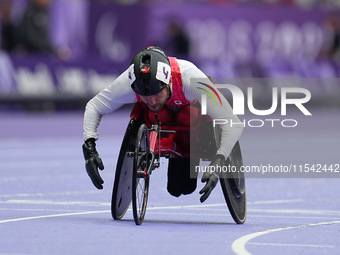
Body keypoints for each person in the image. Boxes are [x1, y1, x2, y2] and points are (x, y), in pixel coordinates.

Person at [82, 46, 243, 203]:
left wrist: (219, 159)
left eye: (157, 94)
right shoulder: (130, 82)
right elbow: (94, 106)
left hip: (193, 121)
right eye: (145, 96)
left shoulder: (191, 79)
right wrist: (89, 149)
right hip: (160, 120)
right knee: (154, 112)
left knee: (187, 117)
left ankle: (189, 148)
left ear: (168, 82)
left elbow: (233, 123)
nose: (151, 101)